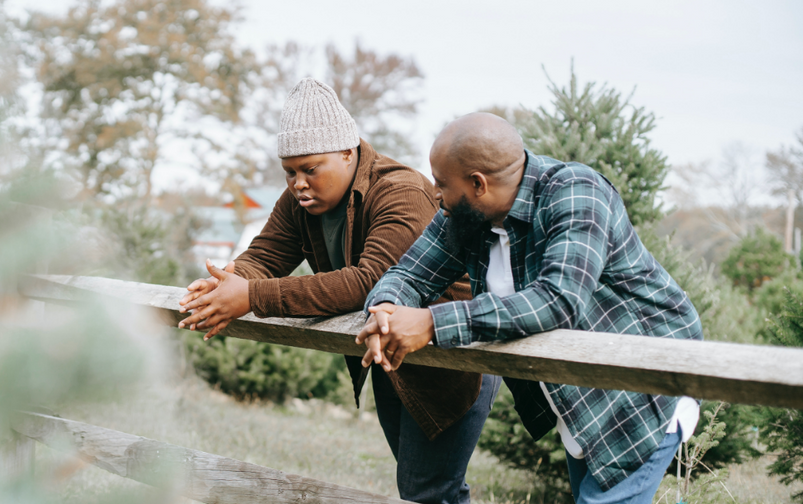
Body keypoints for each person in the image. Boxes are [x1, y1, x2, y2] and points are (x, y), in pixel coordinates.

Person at [178, 78, 500, 504]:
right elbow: (266, 255)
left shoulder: (400, 191)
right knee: (433, 490)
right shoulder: (300, 200)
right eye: (289, 172)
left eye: (310, 168)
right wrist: (228, 282)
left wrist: (252, 297)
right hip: (391, 356)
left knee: (426, 492)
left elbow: (369, 282)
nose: (298, 183)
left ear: (348, 152)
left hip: (451, 358)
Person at [357, 112, 703, 503]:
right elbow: (410, 274)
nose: (435, 194)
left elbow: (557, 301)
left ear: (478, 184)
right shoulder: (466, 217)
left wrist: (433, 323)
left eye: (441, 184)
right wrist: (385, 310)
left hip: (643, 387)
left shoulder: (576, 192)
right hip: (579, 398)